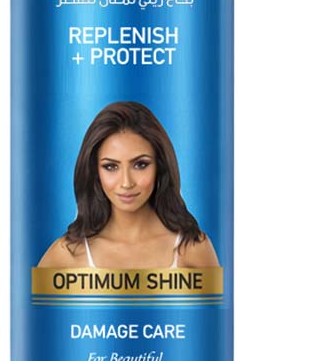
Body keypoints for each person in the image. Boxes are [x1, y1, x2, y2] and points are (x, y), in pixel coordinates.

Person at [38, 101, 219, 269]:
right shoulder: (67, 253)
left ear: (160, 166)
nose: (126, 183)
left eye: (140, 165)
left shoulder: (193, 248)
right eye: (111, 166)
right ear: (95, 172)